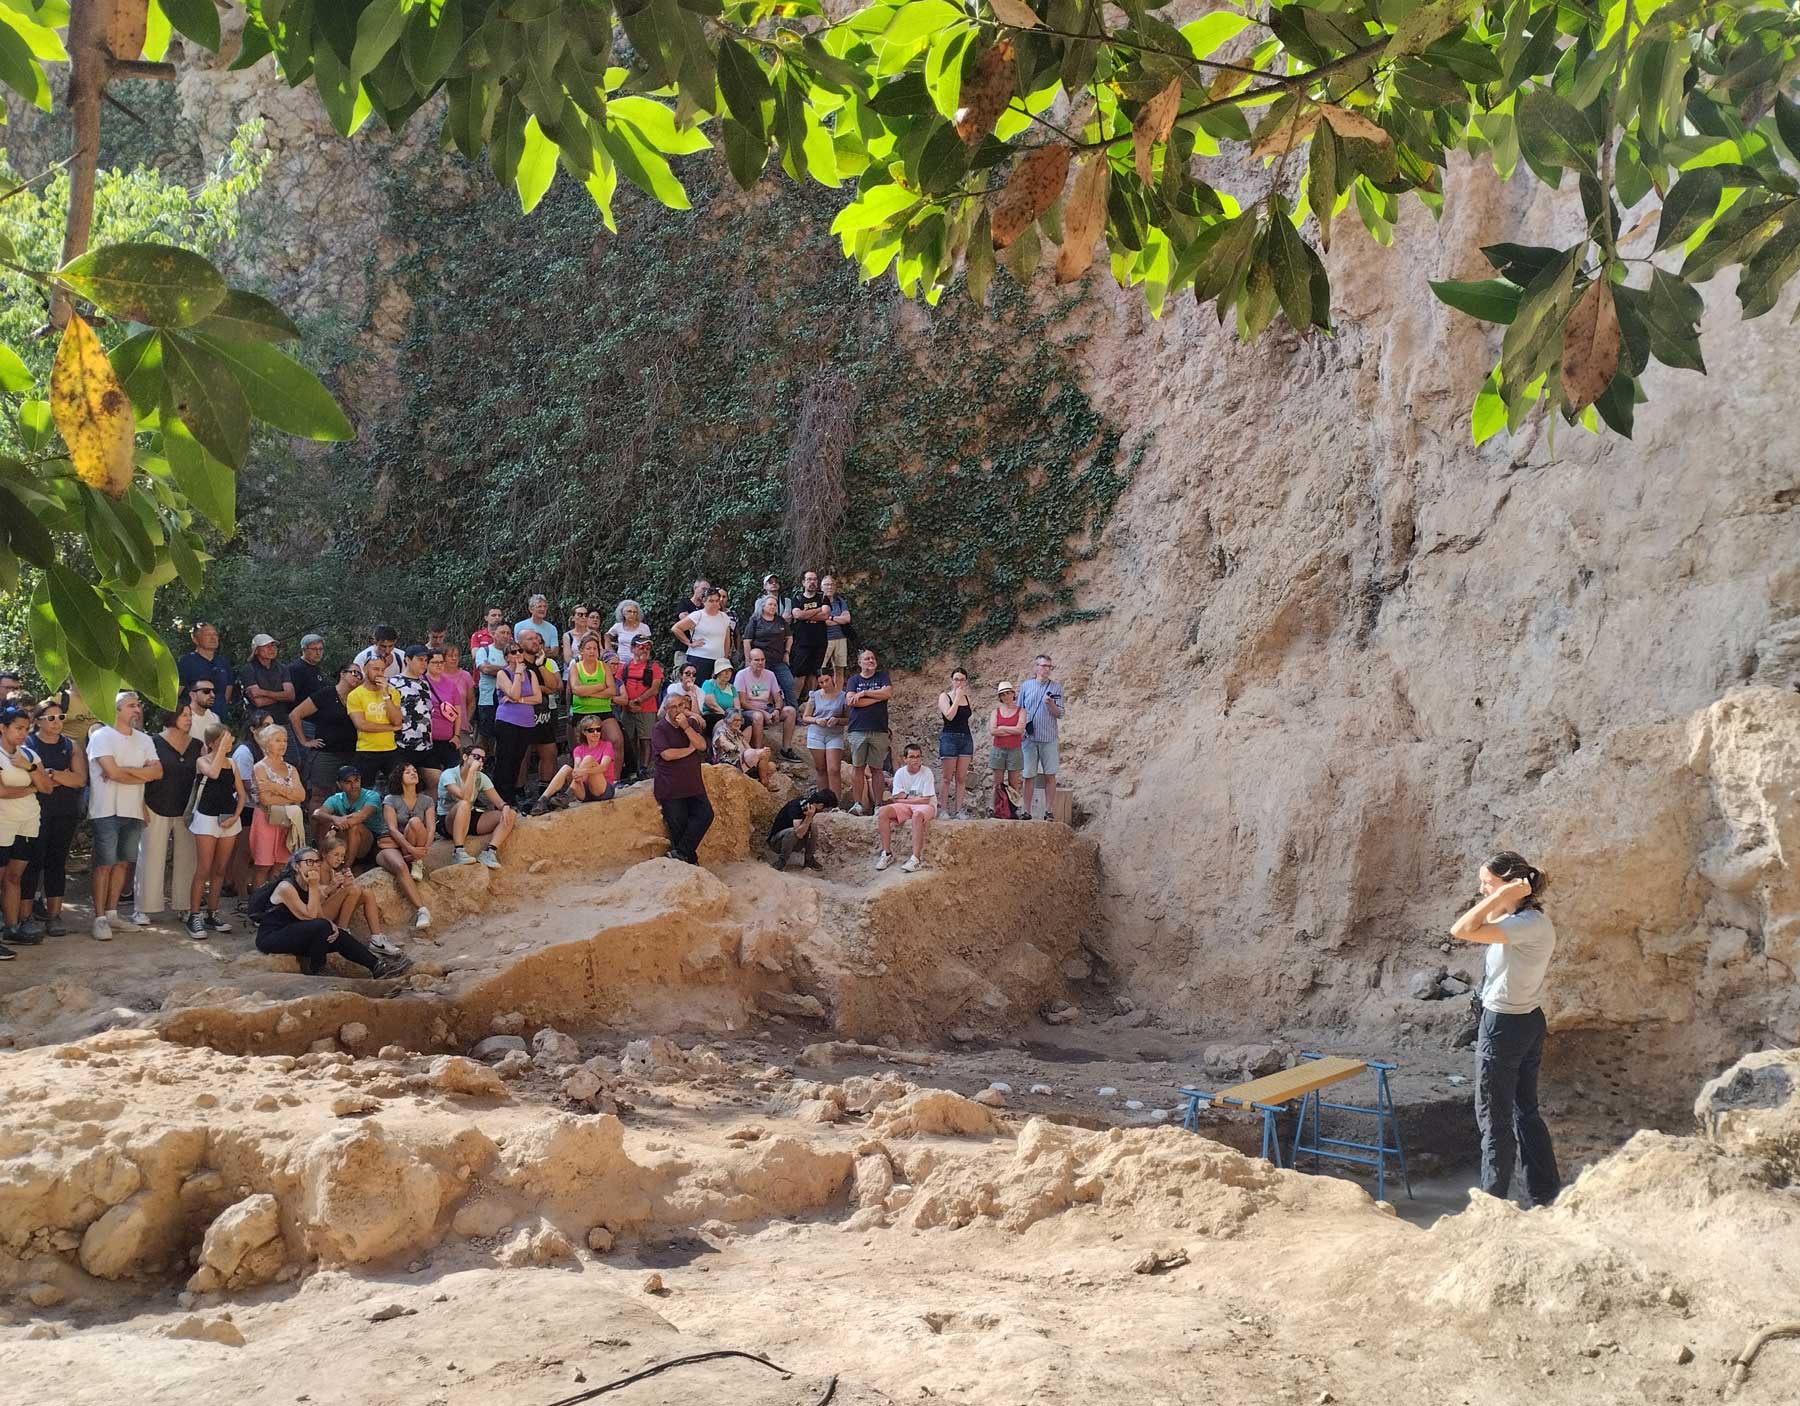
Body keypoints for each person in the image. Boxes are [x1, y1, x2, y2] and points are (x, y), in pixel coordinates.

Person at [1450, 851, 1562, 1209]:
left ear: (1510, 885)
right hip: (1526, 1020)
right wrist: (1503, 895)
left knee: (1493, 1116)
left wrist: (1501, 894)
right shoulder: (1526, 921)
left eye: (1488, 883)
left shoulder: (1523, 926)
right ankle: (1544, 1194)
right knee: (1524, 1112)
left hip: (1504, 1026)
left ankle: (1492, 1202)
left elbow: (1460, 929)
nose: (1483, 889)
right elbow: (1482, 921)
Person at [250, 848, 409, 979]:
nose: (314, 866)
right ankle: (316, 968)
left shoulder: (307, 884)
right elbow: (309, 916)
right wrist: (314, 886)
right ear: (296, 866)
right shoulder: (286, 887)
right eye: (309, 862)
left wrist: (333, 926)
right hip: (272, 937)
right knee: (321, 926)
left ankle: (377, 966)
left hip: (295, 932)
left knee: (338, 934)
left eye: (317, 862)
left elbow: (318, 913)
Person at [86, 691, 162, 941]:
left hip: (133, 809)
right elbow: (112, 773)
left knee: (122, 863)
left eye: (138, 705)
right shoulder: (101, 736)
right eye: (131, 705)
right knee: (104, 864)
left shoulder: (145, 739)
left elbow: (158, 773)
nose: (137, 709)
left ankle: (112, 914)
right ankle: (99, 918)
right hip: (105, 810)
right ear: (116, 710)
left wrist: (124, 771)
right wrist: (139, 773)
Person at [21, 698, 85, 937]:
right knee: (32, 863)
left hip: (65, 812)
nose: (57, 722)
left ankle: (54, 916)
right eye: (51, 718)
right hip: (34, 813)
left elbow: (80, 779)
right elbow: (29, 780)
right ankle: (25, 917)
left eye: (60, 717)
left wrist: (49, 774)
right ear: (38, 721)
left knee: (56, 863)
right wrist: (59, 777)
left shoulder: (70, 745)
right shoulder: (27, 744)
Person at [136, 700, 201, 926]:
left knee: (188, 859)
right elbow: (142, 776)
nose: (189, 719)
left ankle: (184, 906)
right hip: (155, 805)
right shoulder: (152, 742)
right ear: (171, 717)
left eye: (190, 715)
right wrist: (140, 806)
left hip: (187, 811)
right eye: (184, 715)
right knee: (150, 857)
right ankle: (143, 908)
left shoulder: (198, 745)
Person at [0, 704, 50, 955]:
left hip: (28, 822)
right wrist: (31, 788)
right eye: (18, 728)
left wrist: (28, 767)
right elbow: (1, 791)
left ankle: (12, 928)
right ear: (2, 728)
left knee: (14, 877)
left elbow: (47, 787)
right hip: (3, 822)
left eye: (26, 729)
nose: (23, 733)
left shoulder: (29, 755)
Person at [187, 723, 244, 938]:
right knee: (203, 868)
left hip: (228, 819)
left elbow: (241, 794)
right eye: (223, 740)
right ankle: (194, 915)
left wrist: (236, 816)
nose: (228, 743)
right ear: (211, 743)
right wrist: (220, 750)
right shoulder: (202, 761)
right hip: (206, 819)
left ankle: (212, 913)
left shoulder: (233, 764)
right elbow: (213, 773)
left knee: (220, 869)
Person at [315, 832, 402, 957]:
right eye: (336, 855)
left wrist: (345, 885)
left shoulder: (332, 872)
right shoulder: (316, 870)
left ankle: (377, 939)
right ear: (324, 854)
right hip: (318, 915)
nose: (339, 859)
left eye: (342, 856)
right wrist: (332, 888)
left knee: (366, 893)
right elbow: (315, 901)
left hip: (331, 915)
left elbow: (336, 897)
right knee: (353, 890)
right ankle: (343, 934)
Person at [652, 691, 712, 864]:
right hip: (671, 787)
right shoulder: (659, 729)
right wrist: (689, 750)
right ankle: (690, 861)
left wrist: (686, 728)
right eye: (673, 707)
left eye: (680, 705)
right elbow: (668, 755)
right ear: (666, 709)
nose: (678, 710)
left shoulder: (691, 723)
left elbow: (701, 745)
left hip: (693, 784)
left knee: (706, 815)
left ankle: (681, 853)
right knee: (679, 825)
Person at [291, 661, 362, 802]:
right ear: (342, 674)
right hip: (326, 753)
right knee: (320, 794)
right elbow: (295, 714)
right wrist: (304, 741)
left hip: (351, 753)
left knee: (350, 794)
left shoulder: (359, 697)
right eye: (354, 673)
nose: (358, 677)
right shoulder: (326, 694)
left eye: (360, 675)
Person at [439, 743, 515, 868]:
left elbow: (499, 802)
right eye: (476, 757)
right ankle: (458, 851)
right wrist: (471, 772)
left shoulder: (481, 778)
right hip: (448, 821)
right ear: (465, 757)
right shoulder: (449, 774)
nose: (480, 761)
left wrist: (505, 806)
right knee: (464, 804)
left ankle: (490, 852)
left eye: (483, 759)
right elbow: (465, 797)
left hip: (468, 816)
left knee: (510, 814)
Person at [378, 763, 434, 929]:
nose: (413, 773)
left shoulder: (427, 800)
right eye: (407, 772)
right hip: (392, 844)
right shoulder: (390, 799)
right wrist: (411, 850)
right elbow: (392, 829)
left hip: (416, 840)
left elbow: (431, 828)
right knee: (401, 867)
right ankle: (422, 910)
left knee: (416, 822)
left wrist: (423, 850)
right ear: (399, 777)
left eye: (415, 771)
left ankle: (417, 862)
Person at [742, 598, 801, 758]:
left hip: (778, 660)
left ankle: (794, 719)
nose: (773, 607)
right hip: (759, 660)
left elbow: (789, 637)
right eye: (770, 604)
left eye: (775, 605)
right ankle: (760, 744)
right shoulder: (755, 621)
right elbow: (747, 641)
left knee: (788, 683)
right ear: (763, 606)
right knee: (760, 690)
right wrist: (748, 660)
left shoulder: (780, 621)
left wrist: (787, 652)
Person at [250, 724, 306, 886]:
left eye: (285, 740)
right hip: (265, 818)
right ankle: (258, 899)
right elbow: (265, 800)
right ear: (267, 743)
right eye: (278, 740)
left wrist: (274, 787)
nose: (283, 744)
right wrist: (290, 796)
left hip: (287, 820)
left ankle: (275, 899)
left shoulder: (291, 769)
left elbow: (301, 796)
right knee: (263, 866)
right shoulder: (260, 768)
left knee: (281, 865)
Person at [843, 648, 892, 816]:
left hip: (879, 729)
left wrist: (864, 693)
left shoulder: (882, 676)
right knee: (858, 767)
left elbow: (887, 693)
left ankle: (878, 805)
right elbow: (851, 701)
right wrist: (877, 698)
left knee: (877, 768)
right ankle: (858, 804)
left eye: (872, 658)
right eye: (867, 659)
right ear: (860, 663)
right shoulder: (854, 680)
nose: (871, 661)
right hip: (858, 729)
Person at [494, 643, 543, 805]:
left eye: (520, 651)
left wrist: (520, 700)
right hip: (507, 721)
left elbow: (537, 698)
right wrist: (517, 674)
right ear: (506, 657)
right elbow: (513, 693)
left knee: (517, 760)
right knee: (505, 760)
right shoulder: (503, 674)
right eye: (513, 652)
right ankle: (501, 799)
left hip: (526, 723)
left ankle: (511, 798)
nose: (517, 654)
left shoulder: (530, 673)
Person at [1018, 654, 1065, 821]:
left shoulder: (1056, 687)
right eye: (1044, 666)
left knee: (1050, 775)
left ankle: (1049, 810)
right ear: (1036, 667)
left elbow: (1060, 713)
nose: (1046, 669)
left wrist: (1051, 704)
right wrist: (1020, 730)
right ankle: (1026, 810)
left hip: (1049, 738)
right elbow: (1020, 709)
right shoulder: (1026, 686)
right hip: (1029, 738)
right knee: (1028, 775)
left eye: (1049, 666)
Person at [875, 743, 937, 872]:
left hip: (926, 806)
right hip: (907, 805)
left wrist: (906, 797)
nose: (916, 760)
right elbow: (895, 798)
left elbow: (926, 800)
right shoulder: (900, 773)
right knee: (883, 812)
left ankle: (916, 859)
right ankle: (887, 854)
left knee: (917, 815)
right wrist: (912, 798)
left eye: (918, 757)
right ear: (905, 759)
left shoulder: (927, 772)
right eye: (912, 757)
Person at [345, 653, 402, 791]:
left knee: (398, 788)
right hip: (366, 750)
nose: (380, 673)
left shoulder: (392, 692)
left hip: (390, 749)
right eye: (375, 669)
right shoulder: (355, 695)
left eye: (382, 670)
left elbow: (397, 720)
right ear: (365, 669)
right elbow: (362, 725)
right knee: (363, 790)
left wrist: (386, 695)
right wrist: (391, 728)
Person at [536, 717, 617, 810]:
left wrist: (584, 771)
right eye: (591, 730)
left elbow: (603, 767)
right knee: (566, 768)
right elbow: (577, 768)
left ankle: (567, 795)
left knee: (588, 759)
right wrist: (579, 773)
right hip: (584, 791)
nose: (595, 733)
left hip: (602, 789)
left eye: (598, 730)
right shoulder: (578, 749)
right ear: (584, 732)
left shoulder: (607, 745)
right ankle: (542, 800)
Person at [516, 627, 562, 790]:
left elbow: (553, 687)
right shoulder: (517, 663)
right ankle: (519, 791)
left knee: (550, 752)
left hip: (543, 715)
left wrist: (541, 665)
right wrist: (541, 688)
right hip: (523, 716)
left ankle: (545, 791)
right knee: (523, 755)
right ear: (520, 643)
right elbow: (524, 688)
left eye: (536, 638)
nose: (535, 641)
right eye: (530, 639)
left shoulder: (542, 661)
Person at [314, 765, 385, 865]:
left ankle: (347, 867)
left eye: (356, 780)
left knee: (354, 826)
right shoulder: (336, 798)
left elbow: (360, 817)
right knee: (323, 821)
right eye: (348, 782)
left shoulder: (372, 796)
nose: (353, 785)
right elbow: (317, 814)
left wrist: (334, 828)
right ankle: (323, 859)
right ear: (339, 784)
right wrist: (334, 819)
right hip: (345, 836)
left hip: (370, 841)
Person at [567, 634, 623, 759]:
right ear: (581, 650)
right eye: (588, 648)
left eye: (594, 648)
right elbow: (576, 690)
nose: (592, 651)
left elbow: (612, 690)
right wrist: (600, 686)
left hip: (604, 710)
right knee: (584, 748)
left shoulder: (604, 666)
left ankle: (614, 772)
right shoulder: (575, 668)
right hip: (582, 711)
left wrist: (587, 692)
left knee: (617, 741)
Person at [735, 648, 797, 757]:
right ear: (750, 661)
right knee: (758, 716)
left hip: (766, 707)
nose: (760, 663)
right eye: (757, 660)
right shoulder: (742, 675)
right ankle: (759, 752)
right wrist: (763, 713)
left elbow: (778, 698)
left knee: (790, 711)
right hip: (748, 710)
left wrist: (777, 710)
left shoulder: (770, 674)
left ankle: (786, 748)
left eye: (762, 659)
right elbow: (742, 702)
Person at [617, 637, 663, 785]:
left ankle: (643, 769)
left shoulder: (654, 667)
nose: (645, 650)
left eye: (647, 647)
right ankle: (632, 768)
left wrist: (637, 700)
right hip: (627, 708)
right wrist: (628, 702)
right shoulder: (624, 667)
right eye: (641, 647)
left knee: (645, 739)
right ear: (632, 649)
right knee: (629, 739)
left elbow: (654, 689)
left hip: (647, 708)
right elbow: (618, 685)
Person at [389, 646, 436, 787]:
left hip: (425, 743)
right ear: (408, 660)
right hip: (403, 743)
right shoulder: (393, 683)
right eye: (420, 659)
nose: (424, 664)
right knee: (403, 783)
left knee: (434, 780)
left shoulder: (425, 683)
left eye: (426, 660)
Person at [802, 666, 849, 800]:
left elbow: (848, 719)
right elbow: (806, 717)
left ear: (832, 678)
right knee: (820, 769)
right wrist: (816, 720)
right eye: (821, 682)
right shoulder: (815, 695)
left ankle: (835, 801)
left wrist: (837, 720)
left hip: (834, 734)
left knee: (834, 769)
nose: (824, 684)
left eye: (826, 680)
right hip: (816, 733)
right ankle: (823, 801)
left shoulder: (843, 696)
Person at [672, 586, 732, 684]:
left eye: (716, 601)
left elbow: (727, 639)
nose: (714, 604)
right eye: (711, 601)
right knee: (696, 687)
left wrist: (725, 658)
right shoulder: (697, 615)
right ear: (704, 601)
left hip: (718, 660)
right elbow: (676, 628)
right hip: (699, 658)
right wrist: (689, 643)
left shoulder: (724, 617)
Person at [936, 668, 975, 820]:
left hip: (966, 738)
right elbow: (949, 716)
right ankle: (943, 809)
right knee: (947, 777)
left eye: (962, 679)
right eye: (956, 679)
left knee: (961, 778)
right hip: (949, 737)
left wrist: (961, 697)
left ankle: (959, 810)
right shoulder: (944, 696)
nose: (959, 682)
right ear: (951, 680)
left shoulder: (967, 698)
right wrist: (957, 698)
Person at [768, 787, 835, 872]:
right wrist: (809, 817)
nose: (826, 811)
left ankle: (809, 860)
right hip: (777, 842)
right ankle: (781, 861)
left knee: (813, 827)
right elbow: (798, 833)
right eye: (827, 809)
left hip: (793, 842)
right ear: (821, 805)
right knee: (792, 832)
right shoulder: (797, 806)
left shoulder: (811, 806)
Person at [429, 646, 472, 774]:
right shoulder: (423, 681)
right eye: (435, 662)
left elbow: (465, 706)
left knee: (459, 768)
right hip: (431, 736)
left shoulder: (456, 681)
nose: (439, 665)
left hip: (454, 732)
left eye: (441, 662)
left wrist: (459, 731)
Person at [240, 633, 295, 728]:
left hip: (282, 718)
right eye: (266, 646)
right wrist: (281, 696)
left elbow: (290, 696)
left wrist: (263, 692)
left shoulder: (282, 668)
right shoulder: (248, 669)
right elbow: (259, 702)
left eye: (273, 645)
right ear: (256, 651)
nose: (271, 649)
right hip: (259, 721)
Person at [790, 570, 830, 699]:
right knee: (799, 673)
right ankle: (794, 703)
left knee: (814, 673)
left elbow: (825, 615)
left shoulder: (823, 597)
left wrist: (805, 614)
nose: (812, 582)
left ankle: (810, 702)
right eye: (809, 579)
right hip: (802, 642)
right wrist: (818, 609)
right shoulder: (797, 598)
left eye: (814, 579)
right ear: (803, 582)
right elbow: (797, 615)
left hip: (820, 642)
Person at [177, 622, 235, 711]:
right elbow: (177, 693)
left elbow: (227, 694)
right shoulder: (186, 662)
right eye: (207, 635)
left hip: (219, 716)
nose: (213, 638)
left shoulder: (223, 662)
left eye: (215, 634)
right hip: (193, 716)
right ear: (195, 639)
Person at [989, 682, 1026, 817]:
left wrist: (1003, 728)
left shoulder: (1021, 711)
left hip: (1014, 749)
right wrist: (1011, 730)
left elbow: (1020, 730)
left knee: (1014, 782)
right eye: (1003, 694)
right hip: (999, 749)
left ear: (1013, 694)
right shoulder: (996, 712)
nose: (1006, 696)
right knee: (997, 782)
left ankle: (1013, 811)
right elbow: (993, 731)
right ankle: (996, 809)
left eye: (1008, 693)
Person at [714, 710, 776, 788]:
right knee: (758, 753)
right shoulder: (721, 731)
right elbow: (724, 743)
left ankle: (760, 783)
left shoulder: (738, 733)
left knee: (771, 765)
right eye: (735, 720)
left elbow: (748, 747)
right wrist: (741, 750)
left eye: (739, 720)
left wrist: (758, 753)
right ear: (727, 720)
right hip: (730, 764)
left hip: (742, 762)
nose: (738, 723)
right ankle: (765, 782)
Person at [473, 621, 511, 749]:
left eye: (508, 633)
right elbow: (485, 669)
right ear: (494, 634)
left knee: (504, 737)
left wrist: (496, 669)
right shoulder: (484, 651)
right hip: (487, 700)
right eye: (502, 632)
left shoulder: (512, 653)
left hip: (507, 701)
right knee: (485, 736)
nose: (505, 636)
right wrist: (508, 670)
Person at [287, 634, 328, 747]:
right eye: (314, 649)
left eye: (320, 649)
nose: (318, 653)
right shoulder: (296, 669)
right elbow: (291, 700)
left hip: (317, 723)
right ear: (304, 650)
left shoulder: (315, 668)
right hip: (304, 723)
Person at [822, 575, 853, 679]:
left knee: (839, 670)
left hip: (840, 638)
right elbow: (823, 622)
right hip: (824, 639)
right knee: (820, 669)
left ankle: (838, 689)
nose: (829, 587)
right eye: (827, 585)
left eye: (832, 584)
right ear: (821, 587)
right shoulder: (819, 602)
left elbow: (847, 619)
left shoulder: (839, 601)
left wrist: (831, 618)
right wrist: (839, 620)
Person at [516, 595, 563, 663]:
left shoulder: (552, 628)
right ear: (531, 609)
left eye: (545, 606)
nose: (543, 609)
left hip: (546, 663)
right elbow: (519, 649)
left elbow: (554, 652)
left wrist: (532, 650)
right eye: (539, 606)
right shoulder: (519, 626)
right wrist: (544, 649)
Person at [700, 659, 738, 740]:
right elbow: (712, 705)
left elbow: (737, 707)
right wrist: (727, 717)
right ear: (718, 672)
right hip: (711, 715)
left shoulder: (732, 688)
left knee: (747, 722)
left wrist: (737, 717)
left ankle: (740, 745)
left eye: (729, 671)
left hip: (729, 716)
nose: (727, 673)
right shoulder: (709, 684)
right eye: (724, 670)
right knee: (722, 721)